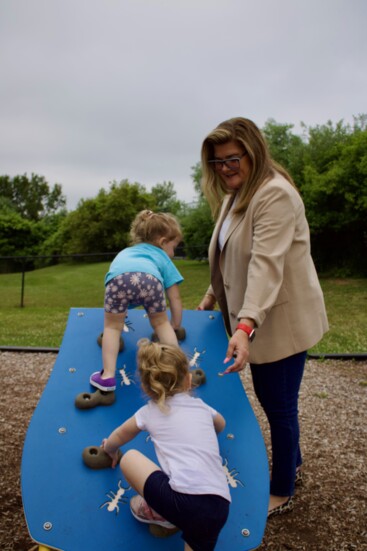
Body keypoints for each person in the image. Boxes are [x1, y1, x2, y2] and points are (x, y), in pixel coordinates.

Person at [197, 117, 329, 517]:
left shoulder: (275, 195)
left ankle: (283, 488)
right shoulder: (234, 198)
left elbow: (265, 265)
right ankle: (296, 461)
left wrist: (245, 324)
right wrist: (210, 296)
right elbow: (229, 258)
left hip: (280, 322)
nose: (225, 168)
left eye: (232, 158)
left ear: (254, 152)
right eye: (217, 162)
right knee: (275, 401)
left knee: (279, 406)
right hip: (253, 321)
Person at [102, 339, 231, 551]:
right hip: (218, 506)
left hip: (179, 501)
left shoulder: (149, 412)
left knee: (131, 457)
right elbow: (222, 424)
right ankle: (173, 517)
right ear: (189, 380)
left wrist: (110, 448)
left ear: (145, 386)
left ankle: (161, 514)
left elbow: (120, 435)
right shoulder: (201, 407)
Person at [90, 209, 184, 392]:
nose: (173, 252)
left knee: (112, 327)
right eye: (174, 246)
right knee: (161, 323)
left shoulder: (126, 252)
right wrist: (175, 324)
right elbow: (175, 297)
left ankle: (107, 377)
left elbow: (115, 273)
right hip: (150, 281)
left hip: (118, 281)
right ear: (163, 242)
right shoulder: (162, 258)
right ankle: (179, 370)